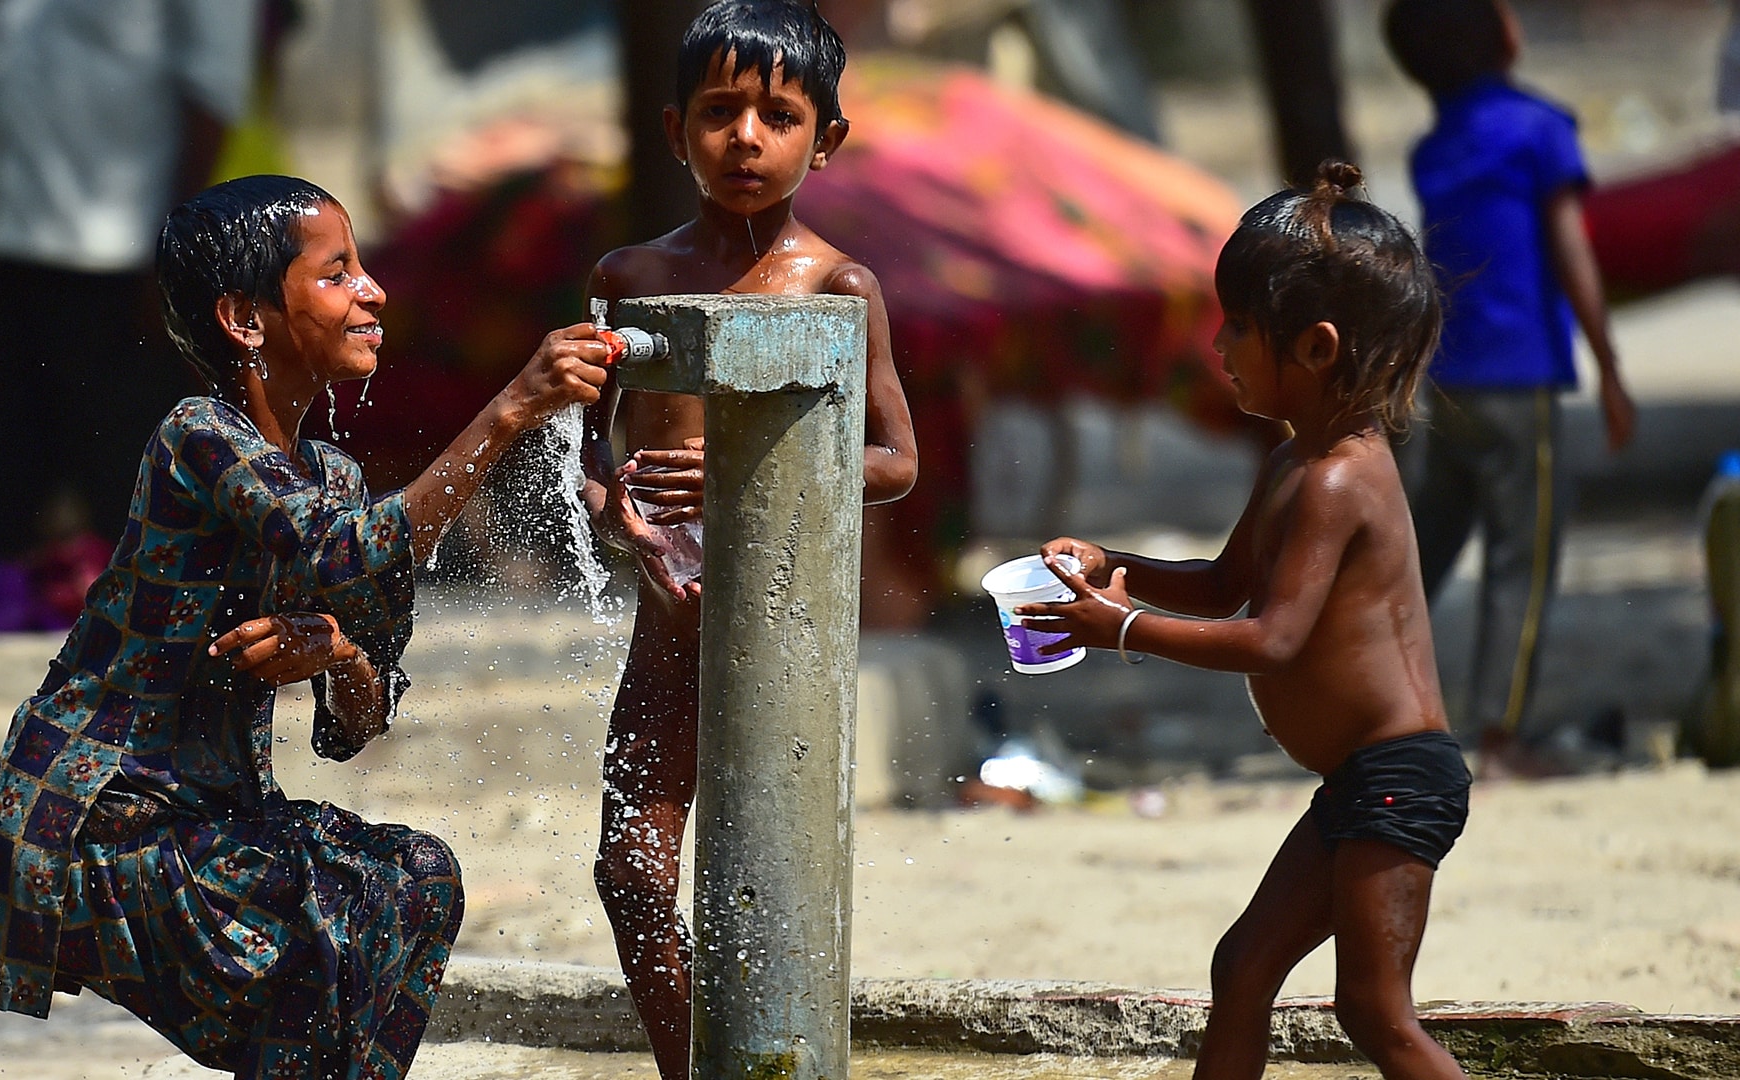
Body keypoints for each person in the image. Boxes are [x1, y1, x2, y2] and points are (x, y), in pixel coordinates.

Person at [0, 175, 612, 1078]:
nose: (374, 292)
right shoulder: (197, 436)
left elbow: (363, 714)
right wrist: (509, 410)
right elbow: (341, 552)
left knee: (418, 880)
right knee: (322, 930)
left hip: (213, 821)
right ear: (245, 319)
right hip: (100, 821)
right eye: (337, 272)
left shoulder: (336, 475)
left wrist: (339, 652)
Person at [1017, 162, 1469, 1080]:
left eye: (1238, 329)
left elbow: (1273, 638)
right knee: (1245, 966)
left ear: (1314, 347)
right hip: (1358, 782)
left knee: (1375, 1014)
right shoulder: (1292, 462)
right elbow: (1226, 585)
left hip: (1399, 781)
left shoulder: (1341, 478)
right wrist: (1117, 565)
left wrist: (1123, 627)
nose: (1217, 346)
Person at [578, 3, 917, 1075]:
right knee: (630, 874)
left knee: (762, 871)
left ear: (828, 139)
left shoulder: (835, 287)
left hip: (779, 627)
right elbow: (584, 451)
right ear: (677, 130)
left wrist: (737, 484)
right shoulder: (629, 279)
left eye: (779, 116)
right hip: (668, 619)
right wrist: (612, 513)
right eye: (721, 112)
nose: (747, 139)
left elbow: (895, 462)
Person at [0, 0, 257, 615]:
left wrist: (172, 259)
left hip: (117, 267)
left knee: (137, 505)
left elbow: (214, 91)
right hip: (4, 254)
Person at [1383, 0, 1638, 774]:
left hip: (1446, 382)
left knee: (1425, 551)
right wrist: (1610, 368)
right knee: (1520, 563)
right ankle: (1499, 736)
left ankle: (1377, 703)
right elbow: (1570, 248)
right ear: (1504, 35)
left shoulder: (1434, 148)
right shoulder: (1538, 128)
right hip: (1522, 379)